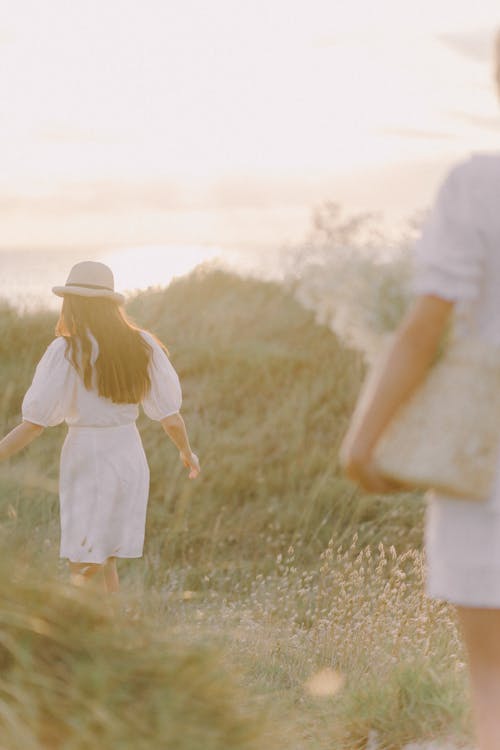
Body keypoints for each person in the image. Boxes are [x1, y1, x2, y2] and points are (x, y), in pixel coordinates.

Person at [340, 33, 500, 750]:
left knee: (493, 684)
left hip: (485, 458)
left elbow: (424, 328)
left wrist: (365, 440)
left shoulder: (477, 187)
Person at [0, 261, 200, 594]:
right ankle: (114, 636)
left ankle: (84, 639)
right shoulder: (142, 345)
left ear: (72, 303)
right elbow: (170, 416)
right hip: (128, 454)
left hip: (88, 456)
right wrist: (186, 451)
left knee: (83, 565)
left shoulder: (67, 350)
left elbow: (34, 424)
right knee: (103, 558)